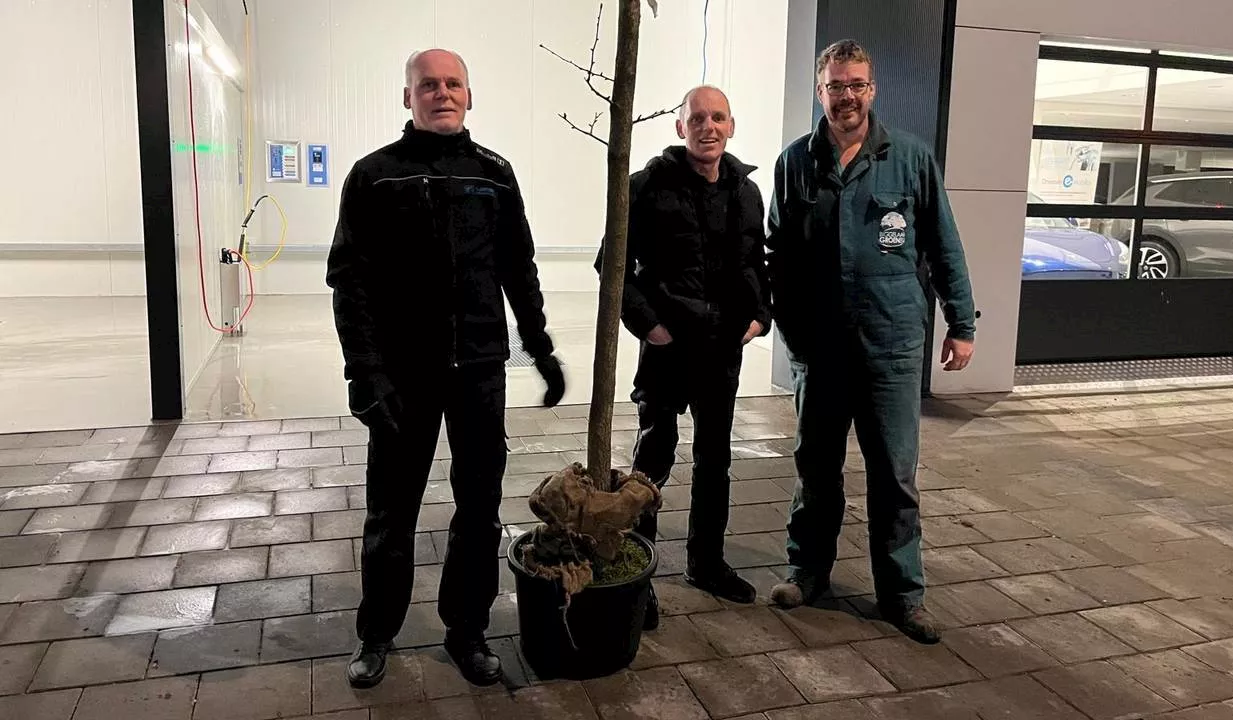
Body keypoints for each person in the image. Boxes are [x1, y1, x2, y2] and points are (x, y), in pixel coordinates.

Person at [326, 48, 566, 689]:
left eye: (452, 83)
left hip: (480, 370)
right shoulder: (373, 176)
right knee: (390, 513)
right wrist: (365, 375)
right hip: (403, 376)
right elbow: (349, 284)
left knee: (480, 510)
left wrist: (540, 348)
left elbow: (520, 268)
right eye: (426, 84)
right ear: (407, 97)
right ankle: (376, 634)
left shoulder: (495, 174)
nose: (440, 92)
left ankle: (468, 632)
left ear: (469, 95)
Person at [764, 40, 976, 645]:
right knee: (816, 469)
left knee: (894, 477)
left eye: (857, 84)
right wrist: (791, 331)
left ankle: (903, 595)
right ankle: (807, 573)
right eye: (836, 85)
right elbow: (777, 255)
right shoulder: (794, 164)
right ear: (820, 91)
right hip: (822, 352)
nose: (847, 95)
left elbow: (943, 244)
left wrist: (962, 323)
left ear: (872, 89)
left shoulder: (908, 158)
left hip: (891, 347)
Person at [598, 85, 771, 630]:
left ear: (732, 125)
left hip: (722, 350)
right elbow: (613, 264)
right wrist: (648, 325)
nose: (708, 126)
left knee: (715, 460)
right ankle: (637, 573)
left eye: (718, 117)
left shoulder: (747, 193)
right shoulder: (646, 186)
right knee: (655, 458)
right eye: (697, 118)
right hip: (668, 349)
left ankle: (707, 563)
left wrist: (761, 315)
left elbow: (756, 263)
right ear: (680, 128)